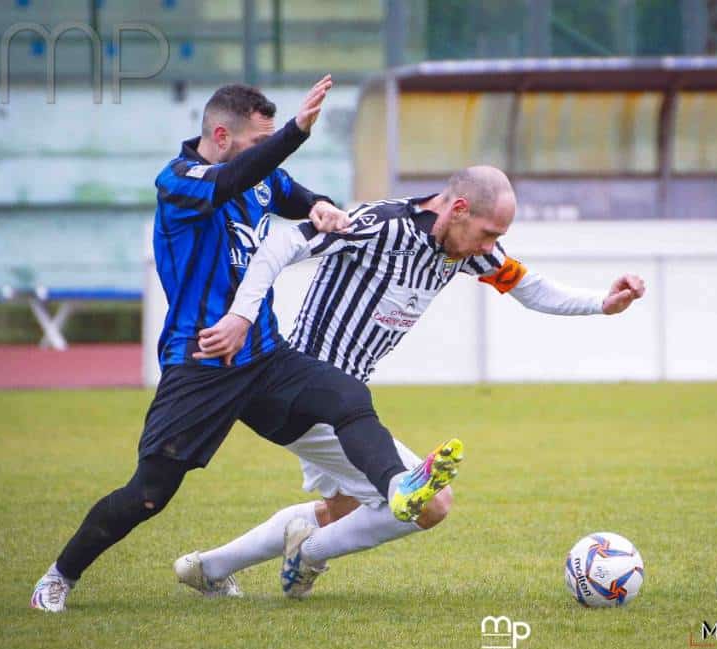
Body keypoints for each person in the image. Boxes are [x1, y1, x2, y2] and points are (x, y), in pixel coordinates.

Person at [30, 78, 459, 613]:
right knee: (148, 494)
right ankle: (58, 576)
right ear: (220, 134)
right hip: (202, 362)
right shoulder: (180, 180)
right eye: (258, 141)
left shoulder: (259, 176)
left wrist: (321, 206)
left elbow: (288, 191)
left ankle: (397, 486)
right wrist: (296, 131)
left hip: (264, 357)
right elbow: (238, 177)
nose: (264, 152)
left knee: (346, 395)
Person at [176, 165, 646, 599]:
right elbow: (281, 245)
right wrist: (242, 315)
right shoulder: (379, 225)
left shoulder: (464, 252)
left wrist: (602, 303)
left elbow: (530, 288)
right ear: (459, 209)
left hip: (344, 402)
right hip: (308, 391)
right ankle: (309, 554)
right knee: (431, 502)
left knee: (342, 511)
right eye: (488, 234)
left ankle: (207, 570)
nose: (490, 247)